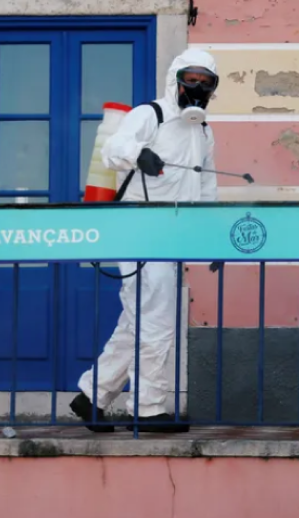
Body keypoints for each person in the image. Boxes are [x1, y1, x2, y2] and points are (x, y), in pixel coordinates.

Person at [71, 48, 220, 434]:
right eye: (192, 78)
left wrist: (212, 240)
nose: (198, 87)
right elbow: (112, 148)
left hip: (174, 235)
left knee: (138, 319)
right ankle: (148, 408)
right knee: (156, 319)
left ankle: (91, 396)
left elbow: (206, 186)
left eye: (206, 81)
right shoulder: (149, 114)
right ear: (176, 78)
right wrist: (140, 155)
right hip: (138, 229)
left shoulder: (203, 131)